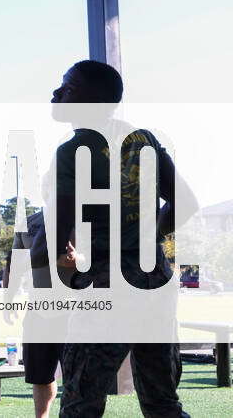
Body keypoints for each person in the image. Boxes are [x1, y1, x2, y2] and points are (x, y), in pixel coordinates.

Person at [31, 60, 193, 418]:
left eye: (67, 88)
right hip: (156, 280)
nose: (56, 93)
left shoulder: (72, 153)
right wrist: (145, 237)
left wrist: (50, 253)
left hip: (110, 286)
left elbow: (51, 247)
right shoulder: (143, 140)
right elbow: (185, 202)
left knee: (80, 403)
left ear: (91, 99)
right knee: (162, 401)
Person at [2, 209, 65, 418]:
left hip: (75, 312)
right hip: (38, 311)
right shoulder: (28, 223)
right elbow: (13, 264)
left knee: (80, 377)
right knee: (40, 376)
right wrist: (8, 299)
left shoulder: (86, 217)